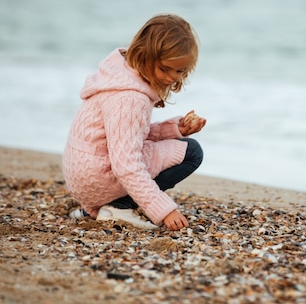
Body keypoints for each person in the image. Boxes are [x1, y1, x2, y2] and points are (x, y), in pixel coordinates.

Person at [62, 14, 206, 231]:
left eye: (180, 71)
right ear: (145, 55)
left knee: (180, 143)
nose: (171, 78)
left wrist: (176, 129)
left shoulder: (119, 75)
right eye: (165, 68)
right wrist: (163, 210)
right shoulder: (130, 98)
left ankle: (98, 207)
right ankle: (119, 206)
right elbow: (126, 165)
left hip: (84, 175)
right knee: (192, 152)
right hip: (100, 176)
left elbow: (130, 135)